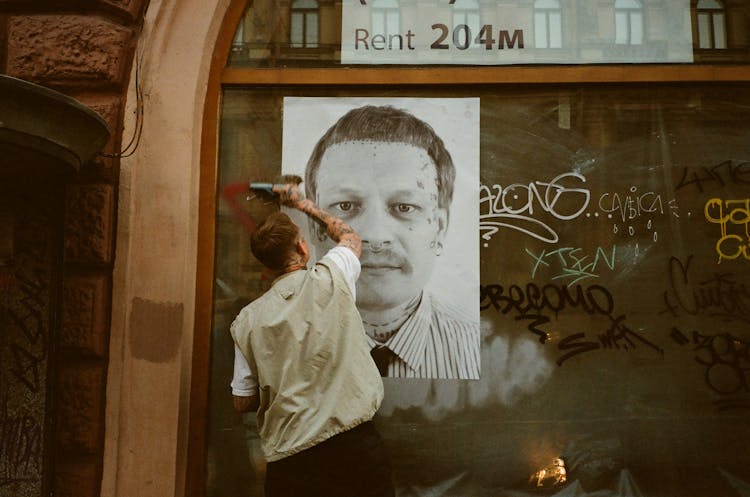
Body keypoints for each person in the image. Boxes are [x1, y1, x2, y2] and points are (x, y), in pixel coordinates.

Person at [230, 181, 394, 497]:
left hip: (292, 463)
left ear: (266, 264)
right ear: (303, 249)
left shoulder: (246, 322)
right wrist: (302, 204)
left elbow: (242, 401)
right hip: (354, 450)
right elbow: (349, 237)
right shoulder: (331, 277)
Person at [303, 104, 480, 379]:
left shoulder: (481, 349)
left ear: (440, 229)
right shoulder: (272, 339)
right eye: (346, 205)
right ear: (315, 227)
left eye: (405, 207)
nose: (375, 235)